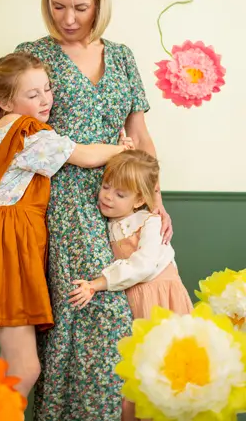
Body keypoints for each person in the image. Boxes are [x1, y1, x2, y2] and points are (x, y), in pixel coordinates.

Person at [0, 0, 173, 421]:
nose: (68, 18)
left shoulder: (122, 57)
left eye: (80, 7)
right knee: (85, 319)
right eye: (58, 6)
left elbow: (141, 136)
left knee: (131, 315)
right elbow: (0, 134)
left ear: (99, 4)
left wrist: (154, 202)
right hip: (59, 208)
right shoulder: (35, 55)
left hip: (120, 204)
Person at [0, 51, 132, 399]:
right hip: (9, 249)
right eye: (33, 94)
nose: (45, 100)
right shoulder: (28, 131)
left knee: (14, 367)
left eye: (48, 89)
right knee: (25, 369)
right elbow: (85, 156)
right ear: (6, 102)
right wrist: (120, 149)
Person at [68, 150, 192, 421]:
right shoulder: (107, 222)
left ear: (139, 201)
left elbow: (143, 265)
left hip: (159, 301)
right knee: (133, 379)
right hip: (134, 301)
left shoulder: (150, 221)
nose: (107, 196)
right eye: (106, 186)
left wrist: (98, 283)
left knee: (161, 375)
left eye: (120, 194)